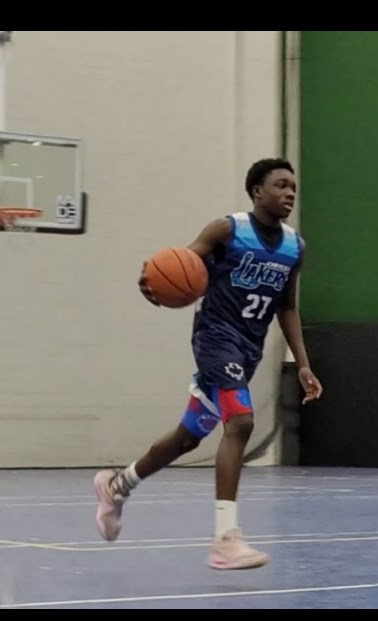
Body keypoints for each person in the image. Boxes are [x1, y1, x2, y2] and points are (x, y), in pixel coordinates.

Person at [92, 158, 322, 570]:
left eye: (294, 187)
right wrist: (154, 280)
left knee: (188, 436)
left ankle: (117, 485)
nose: (289, 193)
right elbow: (182, 264)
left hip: (247, 350)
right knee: (242, 423)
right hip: (215, 338)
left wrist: (302, 363)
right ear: (256, 191)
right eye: (280, 185)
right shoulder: (228, 230)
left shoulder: (294, 247)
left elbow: (286, 308)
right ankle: (225, 539)